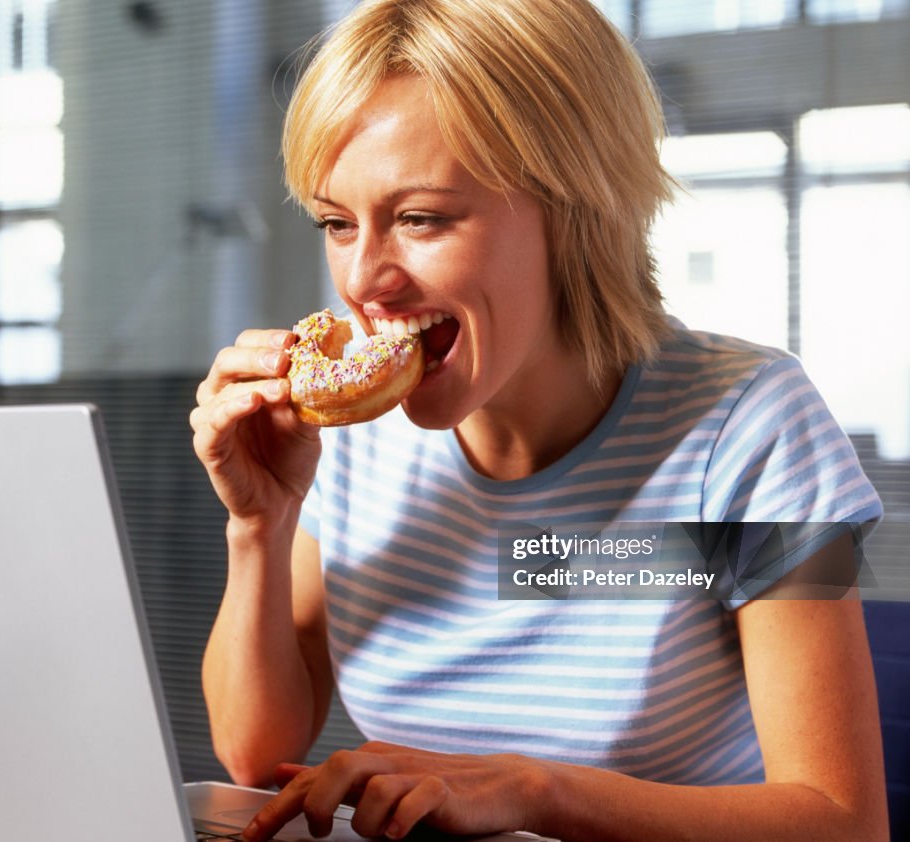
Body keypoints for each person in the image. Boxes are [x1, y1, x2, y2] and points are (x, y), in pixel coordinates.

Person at [189, 0, 889, 839]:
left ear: (576, 207)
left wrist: (532, 791)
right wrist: (260, 527)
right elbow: (251, 754)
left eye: (420, 218)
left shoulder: (752, 422)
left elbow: (843, 821)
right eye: (338, 224)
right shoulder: (353, 441)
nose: (364, 280)